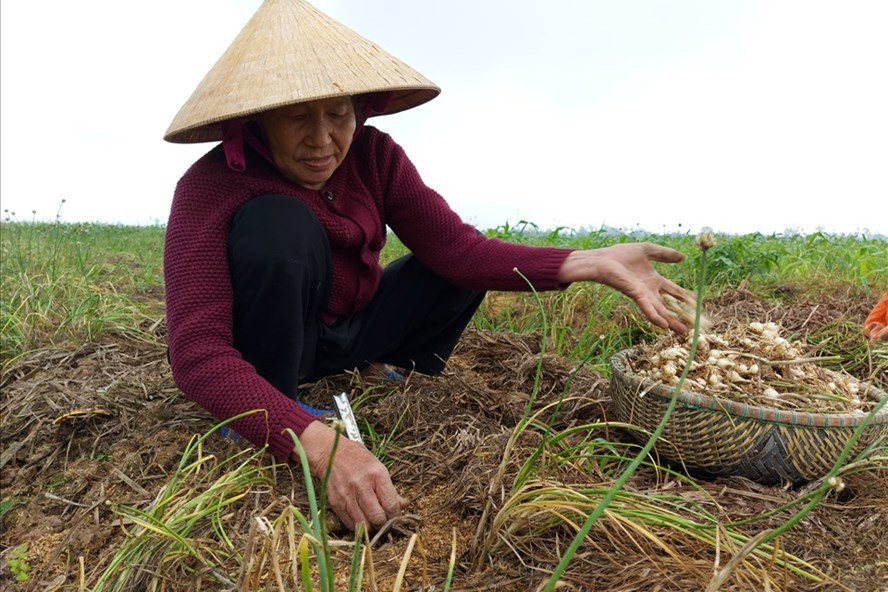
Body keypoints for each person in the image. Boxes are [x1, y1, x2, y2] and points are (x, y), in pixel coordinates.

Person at [163, 0, 694, 532]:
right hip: (274, 346)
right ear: (257, 119)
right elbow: (198, 354)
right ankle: (278, 403)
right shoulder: (209, 187)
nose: (322, 139)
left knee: (459, 266)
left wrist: (591, 260)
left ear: (360, 110)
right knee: (278, 224)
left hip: (352, 331)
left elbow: (460, 251)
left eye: (338, 114)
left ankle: (393, 369)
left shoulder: (374, 156)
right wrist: (319, 447)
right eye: (298, 117)